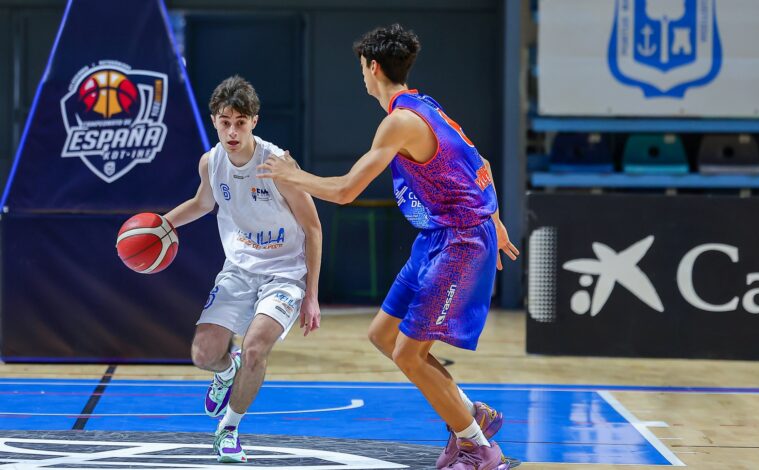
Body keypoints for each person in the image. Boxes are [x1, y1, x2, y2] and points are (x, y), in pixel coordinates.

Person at [257, 24, 519, 470]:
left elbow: (343, 191)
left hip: (459, 242)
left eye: (362, 68)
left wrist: (288, 174)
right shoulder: (424, 105)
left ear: (372, 67)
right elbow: (483, 164)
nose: (362, 75)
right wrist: (494, 218)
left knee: (407, 353)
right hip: (437, 237)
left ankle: (479, 449)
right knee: (383, 335)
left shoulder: (399, 121)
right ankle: (470, 414)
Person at [164, 75, 322, 463]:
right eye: (224, 122)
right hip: (238, 269)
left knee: (255, 348)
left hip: (284, 273)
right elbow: (203, 204)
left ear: (254, 121)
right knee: (203, 354)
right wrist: (161, 225)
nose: (231, 131)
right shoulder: (211, 162)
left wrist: (312, 296)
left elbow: (313, 228)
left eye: (239, 121)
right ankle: (224, 372)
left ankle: (229, 430)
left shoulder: (278, 164)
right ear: (214, 121)